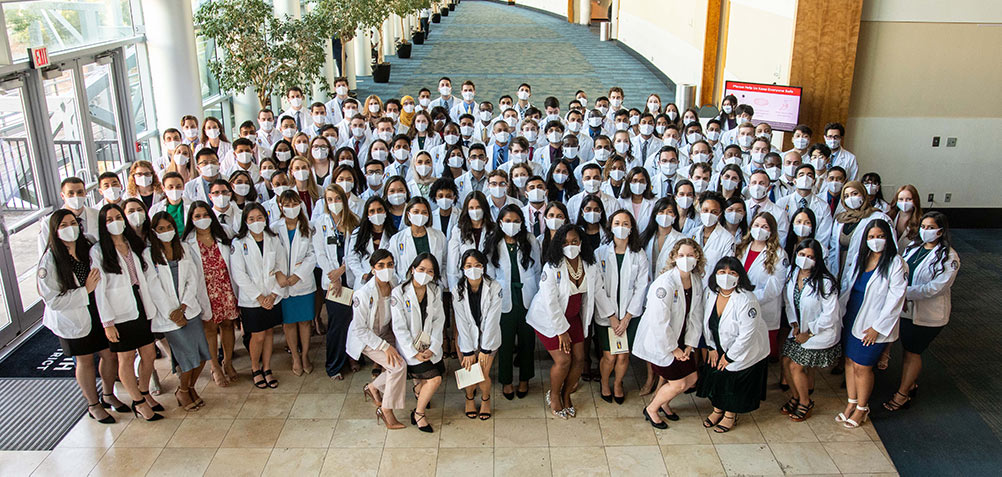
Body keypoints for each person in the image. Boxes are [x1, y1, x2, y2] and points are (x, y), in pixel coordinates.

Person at [38, 210, 122, 423]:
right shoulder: (50, 260)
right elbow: (53, 300)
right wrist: (85, 291)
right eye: (64, 225)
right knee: (85, 361)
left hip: (97, 310)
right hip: (73, 317)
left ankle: (108, 393)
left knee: (110, 354)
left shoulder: (89, 245)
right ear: (55, 231)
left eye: (73, 223)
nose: (70, 228)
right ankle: (93, 405)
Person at [527, 224, 616, 419]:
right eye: (565, 242)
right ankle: (555, 395)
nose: (570, 245)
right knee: (563, 360)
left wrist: (612, 316)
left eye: (574, 241)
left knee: (580, 358)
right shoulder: (552, 267)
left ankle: (567, 395)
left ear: (581, 243)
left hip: (574, 316)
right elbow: (550, 303)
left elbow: (599, 292)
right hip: (550, 319)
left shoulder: (589, 265)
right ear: (559, 245)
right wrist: (561, 331)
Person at [91, 204, 163, 421]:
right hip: (118, 311)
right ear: (103, 226)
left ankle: (144, 391)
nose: (115, 222)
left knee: (149, 354)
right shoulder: (98, 251)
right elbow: (99, 289)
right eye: (109, 220)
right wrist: (107, 322)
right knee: (126, 357)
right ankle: (138, 402)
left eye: (118, 217)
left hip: (139, 304)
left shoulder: (133, 243)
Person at [884, 212, 960, 412]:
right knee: (908, 350)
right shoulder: (913, 247)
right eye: (923, 227)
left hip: (928, 314)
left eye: (931, 227)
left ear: (941, 231)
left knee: (913, 352)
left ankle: (902, 395)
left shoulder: (949, 256)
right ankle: (910, 383)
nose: (926, 231)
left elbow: (936, 288)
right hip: (907, 309)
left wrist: (904, 293)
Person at [837, 219, 906, 429]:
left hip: (874, 324)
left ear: (889, 238)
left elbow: (896, 299)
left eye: (880, 237)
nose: (876, 241)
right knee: (849, 361)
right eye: (871, 237)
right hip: (852, 315)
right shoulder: (862, 257)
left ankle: (862, 407)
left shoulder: (895, 263)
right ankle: (851, 402)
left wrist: (878, 327)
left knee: (862, 366)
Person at [635, 238, 706, 427]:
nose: (686, 259)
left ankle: (665, 403)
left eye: (690, 255)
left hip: (682, 340)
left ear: (697, 257)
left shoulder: (695, 280)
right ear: (674, 257)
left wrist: (690, 343)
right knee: (679, 383)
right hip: (663, 342)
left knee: (692, 378)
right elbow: (658, 322)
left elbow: (696, 314)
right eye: (681, 255)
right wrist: (673, 349)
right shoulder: (664, 284)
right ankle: (651, 409)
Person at [146, 212, 212, 410]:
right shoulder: (149, 255)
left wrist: (184, 306)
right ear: (154, 232)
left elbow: (194, 278)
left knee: (201, 356)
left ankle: (190, 387)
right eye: (161, 229)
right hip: (169, 317)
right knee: (186, 358)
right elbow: (153, 287)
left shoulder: (184, 248)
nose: (166, 232)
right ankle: (183, 391)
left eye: (169, 228)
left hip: (188, 310)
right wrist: (173, 311)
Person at [697, 256, 770, 433]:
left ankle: (730, 415)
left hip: (744, 349)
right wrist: (712, 347)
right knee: (717, 377)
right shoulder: (711, 292)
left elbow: (747, 335)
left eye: (732, 272)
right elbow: (707, 322)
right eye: (722, 272)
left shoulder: (746, 299)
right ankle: (717, 410)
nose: (726, 276)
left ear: (739, 276)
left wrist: (729, 357)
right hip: (718, 343)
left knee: (733, 381)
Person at [485, 204, 541, 399]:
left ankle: (524, 380)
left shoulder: (530, 240)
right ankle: (506, 382)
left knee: (527, 342)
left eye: (516, 221)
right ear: (500, 222)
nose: (512, 225)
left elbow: (538, 269)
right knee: (505, 344)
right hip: (503, 300)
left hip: (527, 298)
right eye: (507, 221)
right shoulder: (493, 243)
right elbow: (490, 275)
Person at [781, 239, 841, 422]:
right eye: (802, 255)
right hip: (799, 329)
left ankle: (805, 403)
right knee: (785, 362)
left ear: (818, 260)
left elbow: (829, 315)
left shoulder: (825, 282)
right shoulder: (792, 274)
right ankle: (796, 396)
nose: (805, 259)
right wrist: (794, 324)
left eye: (810, 257)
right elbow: (788, 301)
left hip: (819, 332)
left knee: (795, 366)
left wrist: (809, 332)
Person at [594, 210, 650, 404]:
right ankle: (604, 383)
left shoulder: (638, 254)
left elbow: (642, 286)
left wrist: (626, 318)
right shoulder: (600, 253)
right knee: (609, 356)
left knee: (623, 356)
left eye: (625, 224)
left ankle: (618, 384)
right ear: (610, 226)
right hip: (606, 315)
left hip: (629, 316)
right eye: (617, 223)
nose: (621, 227)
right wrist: (612, 317)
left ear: (631, 228)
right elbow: (597, 287)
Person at [182, 201, 239, 387]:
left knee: (228, 325)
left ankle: (228, 362)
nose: (202, 219)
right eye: (197, 216)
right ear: (191, 219)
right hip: (205, 290)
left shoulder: (224, 233)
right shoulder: (188, 243)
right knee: (210, 329)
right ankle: (215, 366)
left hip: (225, 287)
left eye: (205, 215)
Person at [349, 250, 407, 429]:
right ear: (373, 269)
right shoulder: (363, 293)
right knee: (398, 367)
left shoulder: (395, 283)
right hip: (367, 337)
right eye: (381, 265)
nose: (386, 269)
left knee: (405, 360)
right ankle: (386, 410)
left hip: (386, 331)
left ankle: (373, 387)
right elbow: (359, 328)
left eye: (390, 264)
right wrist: (384, 346)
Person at [230, 203, 284, 389]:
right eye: (251, 219)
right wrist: (260, 297)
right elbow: (239, 275)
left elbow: (280, 266)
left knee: (269, 333)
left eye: (259, 218)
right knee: (258, 336)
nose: (256, 222)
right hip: (252, 300)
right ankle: (255, 368)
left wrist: (274, 293)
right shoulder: (239, 243)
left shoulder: (273, 239)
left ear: (265, 218)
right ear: (246, 221)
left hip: (272, 295)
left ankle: (267, 368)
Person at [390, 253, 446, 433]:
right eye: (421, 269)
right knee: (435, 379)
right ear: (412, 270)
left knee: (426, 381)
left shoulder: (435, 290)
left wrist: (434, 346)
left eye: (430, 271)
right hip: (410, 348)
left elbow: (439, 320)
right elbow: (399, 327)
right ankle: (419, 413)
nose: (425, 274)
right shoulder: (399, 292)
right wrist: (413, 352)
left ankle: (418, 391)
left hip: (429, 345)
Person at [314, 184, 361, 380]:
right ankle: (334, 365)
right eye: (330, 200)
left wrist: (342, 271)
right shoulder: (321, 222)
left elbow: (354, 252)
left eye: (337, 199)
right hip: (333, 282)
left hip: (350, 278)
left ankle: (352, 357)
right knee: (337, 324)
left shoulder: (353, 221)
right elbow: (320, 253)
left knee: (353, 321)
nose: (334, 203)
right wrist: (333, 276)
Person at [453, 249, 503, 419]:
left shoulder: (494, 287)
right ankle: (469, 399)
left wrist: (485, 349)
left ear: (483, 267)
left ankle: (485, 399)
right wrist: (467, 351)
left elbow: (492, 320)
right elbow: (461, 322)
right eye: (468, 265)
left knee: (482, 374)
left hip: (488, 339)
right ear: (463, 268)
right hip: (466, 339)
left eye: (477, 265)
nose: (473, 269)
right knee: (469, 373)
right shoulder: (457, 290)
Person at [273, 190, 317, 376]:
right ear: (281, 207)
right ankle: (295, 358)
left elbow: (313, 254)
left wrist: (298, 275)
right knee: (289, 323)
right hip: (283, 283)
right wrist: (279, 274)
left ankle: (305, 355)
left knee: (305, 322)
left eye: (294, 204)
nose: (291, 209)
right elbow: (270, 254)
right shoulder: (274, 228)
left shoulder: (308, 227)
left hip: (303, 282)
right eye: (287, 205)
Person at [736, 213, 789, 360]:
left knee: (761, 354)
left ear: (771, 231)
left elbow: (774, 287)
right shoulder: (741, 248)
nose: (760, 230)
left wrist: (749, 300)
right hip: (739, 307)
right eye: (757, 225)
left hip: (764, 309)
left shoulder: (778, 254)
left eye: (765, 227)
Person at [387, 197, 447, 282]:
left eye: (424, 213)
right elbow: (391, 266)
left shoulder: (439, 236)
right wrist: (401, 285)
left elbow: (445, 263)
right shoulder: (397, 239)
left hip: (434, 286)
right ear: (408, 214)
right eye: (416, 212)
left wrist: (441, 282)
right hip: (406, 288)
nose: (420, 215)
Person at [346, 196, 397, 289]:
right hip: (365, 282)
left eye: (380, 210)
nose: (376, 214)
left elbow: (397, 260)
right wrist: (363, 275)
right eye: (372, 211)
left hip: (388, 281)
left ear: (385, 211)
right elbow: (352, 258)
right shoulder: (358, 234)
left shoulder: (394, 235)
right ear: (367, 214)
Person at [690, 191, 735, 286]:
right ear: (700, 210)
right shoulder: (692, 233)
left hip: (711, 287)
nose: (709, 214)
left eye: (714, 212)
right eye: (705, 210)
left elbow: (725, 267)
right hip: (691, 284)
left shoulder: (727, 239)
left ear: (720, 214)